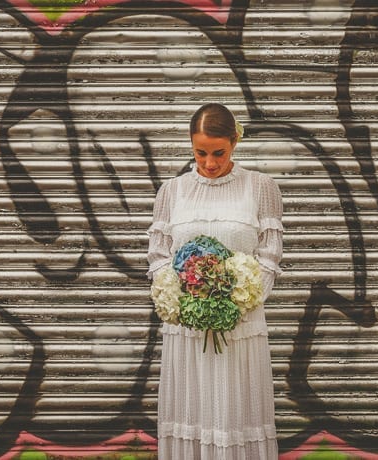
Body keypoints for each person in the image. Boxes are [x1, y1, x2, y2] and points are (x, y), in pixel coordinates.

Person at [147, 103, 283, 459]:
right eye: (200, 153)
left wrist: (238, 300)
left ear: (235, 141)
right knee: (193, 409)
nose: (209, 162)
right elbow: (159, 255)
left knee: (234, 413)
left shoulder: (261, 187)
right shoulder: (171, 192)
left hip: (240, 326)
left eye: (218, 153)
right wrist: (183, 299)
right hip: (188, 331)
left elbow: (269, 255)